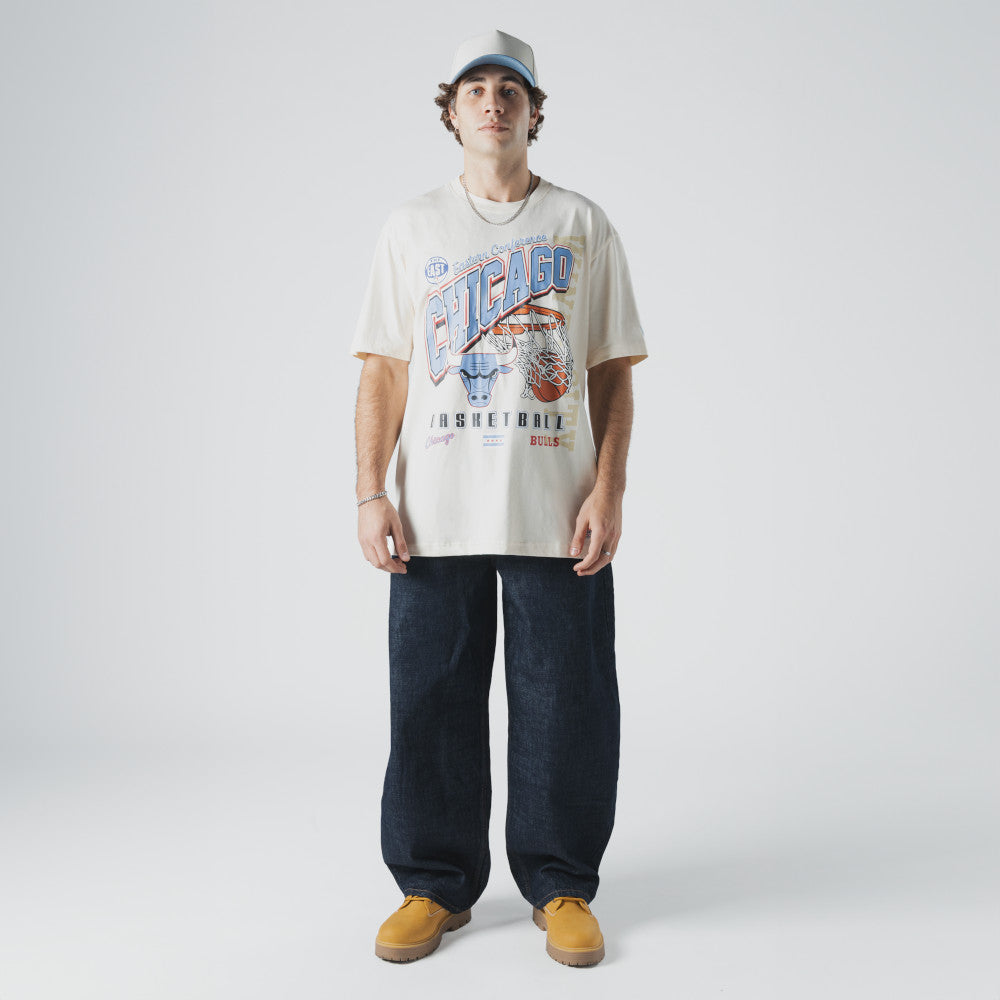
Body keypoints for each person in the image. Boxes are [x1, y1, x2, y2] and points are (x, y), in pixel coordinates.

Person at [351, 28, 648, 967]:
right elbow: (384, 370)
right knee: (430, 701)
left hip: (555, 508)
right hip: (433, 511)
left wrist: (609, 488)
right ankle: (434, 886)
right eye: (474, 89)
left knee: (568, 700)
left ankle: (561, 885)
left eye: (509, 90)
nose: (492, 103)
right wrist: (369, 492)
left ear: (533, 111)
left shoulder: (581, 223)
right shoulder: (412, 227)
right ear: (450, 111)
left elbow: (611, 369)